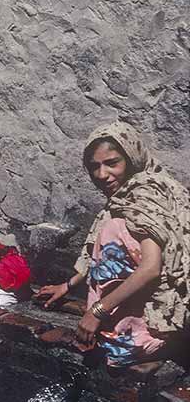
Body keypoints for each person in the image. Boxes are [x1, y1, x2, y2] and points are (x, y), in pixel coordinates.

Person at [35, 122, 189, 367]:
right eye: (94, 167)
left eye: (112, 163)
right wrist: (68, 285)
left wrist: (97, 311)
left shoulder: (145, 196)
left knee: (114, 227)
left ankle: (137, 338)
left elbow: (151, 268)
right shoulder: (128, 195)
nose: (101, 174)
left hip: (156, 321)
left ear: (131, 159)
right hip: (135, 306)